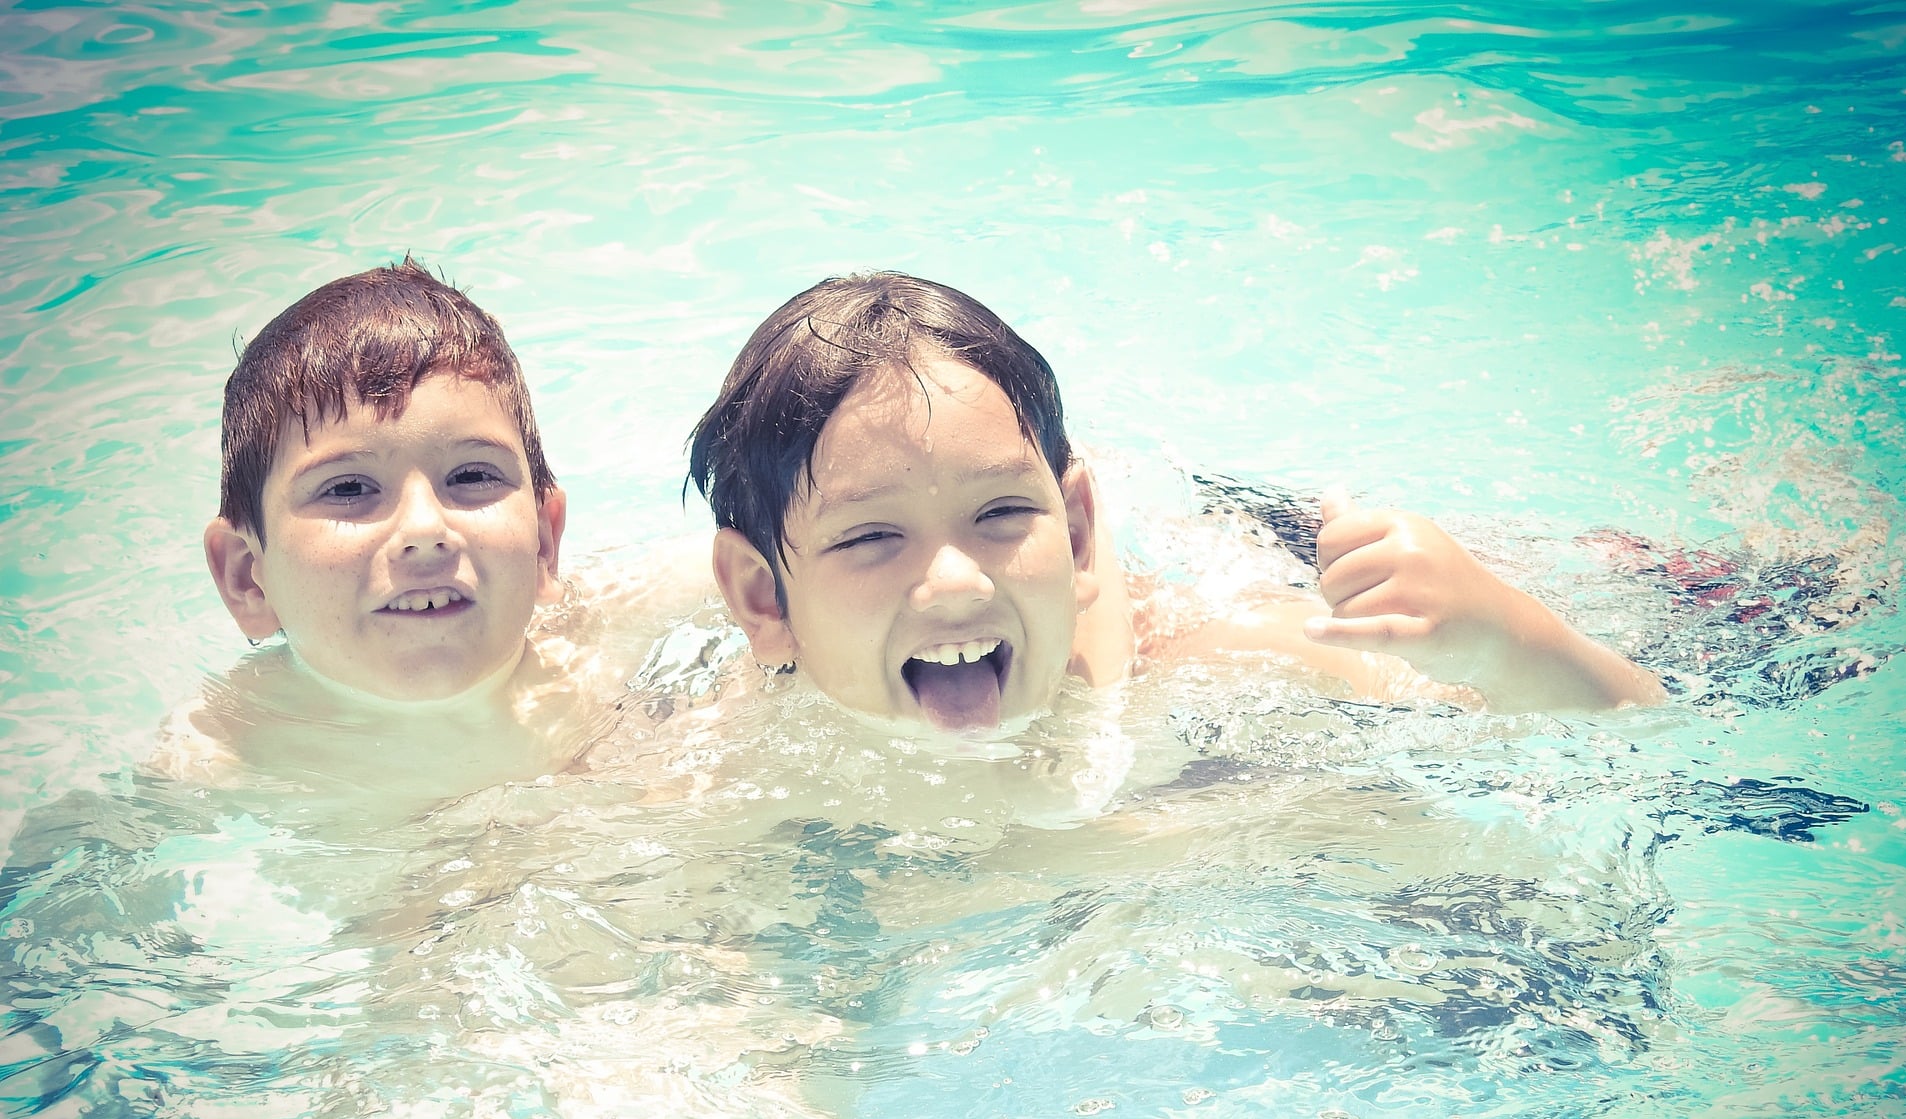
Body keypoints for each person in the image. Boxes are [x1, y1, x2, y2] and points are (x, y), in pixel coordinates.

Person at [687, 271, 1664, 743]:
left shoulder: (1219, 666)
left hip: (1258, 552)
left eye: (1000, 517)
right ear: (762, 601)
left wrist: (1503, 639)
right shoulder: (723, 741)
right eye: (870, 536)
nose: (952, 581)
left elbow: (1633, 718)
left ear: (1073, 531)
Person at [167, 258, 690, 811]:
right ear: (247, 577)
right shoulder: (221, 752)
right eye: (348, 488)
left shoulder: (604, 636)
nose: (425, 529)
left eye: (471, 476)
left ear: (544, 541)